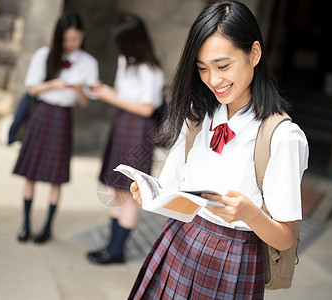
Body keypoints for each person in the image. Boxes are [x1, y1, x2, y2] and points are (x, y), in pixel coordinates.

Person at [128, 1, 309, 298]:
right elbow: (177, 194)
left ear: (254, 54)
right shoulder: (198, 115)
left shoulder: (282, 137)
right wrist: (150, 195)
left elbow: (285, 237)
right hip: (179, 240)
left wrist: (250, 214)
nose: (214, 80)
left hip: (234, 259)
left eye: (223, 66)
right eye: (203, 69)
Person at [13, 12, 99, 244]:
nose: (72, 44)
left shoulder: (89, 62)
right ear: (58, 37)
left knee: (56, 177)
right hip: (41, 114)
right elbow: (31, 90)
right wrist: (54, 83)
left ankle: (47, 227)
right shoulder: (44, 54)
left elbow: (85, 103)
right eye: (67, 39)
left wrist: (78, 90)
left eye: (76, 39)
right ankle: (26, 224)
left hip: (63, 117)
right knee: (30, 174)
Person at [86, 14, 164, 264]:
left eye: (120, 40)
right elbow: (124, 94)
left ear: (131, 41)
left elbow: (146, 108)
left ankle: (116, 250)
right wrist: (104, 90)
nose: (116, 44)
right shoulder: (126, 61)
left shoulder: (150, 70)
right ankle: (111, 246)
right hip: (123, 124)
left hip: (138, 129)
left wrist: (109, 97)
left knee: (127, 192)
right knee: (115, 189)